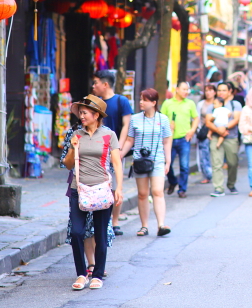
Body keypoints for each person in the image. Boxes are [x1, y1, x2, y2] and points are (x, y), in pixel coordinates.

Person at [63, 95, 123, 290]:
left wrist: (119, 188)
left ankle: (97, 275)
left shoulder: (109, 135)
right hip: (78, 190)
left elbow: (116, 163)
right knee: (77, 232)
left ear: (96, 115)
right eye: (80, 112)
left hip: (102, 189)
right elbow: (68, 164)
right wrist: (73, 149)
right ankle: (81, 274)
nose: (81, 116)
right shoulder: (76, 134)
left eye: (85, 113)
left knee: (100, 234)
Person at [121, 89, 172, 237]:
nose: (141, 102)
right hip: (139, 161)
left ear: (154, 103)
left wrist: (168, 161)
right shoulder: (135, 119)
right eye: (141, 99)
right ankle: (144, 226)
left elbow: (167, 140)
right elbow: (130, 140)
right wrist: (120, 154)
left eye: (144, 100)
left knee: (157, 191)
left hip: (157, 160)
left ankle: (161, 224)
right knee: (143, 194)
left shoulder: (163, 119)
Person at [91, 70, 131, 236]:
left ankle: (115, 221)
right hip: (98, 151)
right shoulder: (94, 103)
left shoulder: (121, 101)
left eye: (96, 83)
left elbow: (126, 126)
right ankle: (102, 220)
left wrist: (119, 148)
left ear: (105, 84)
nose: (93, 86)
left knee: (115, 187)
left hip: (115, 151)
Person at [160, 81, 199, 198]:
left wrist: (192, 130)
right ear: (177, 89)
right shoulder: (167, 103)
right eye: (184, 89)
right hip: (169, 139)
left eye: (187, 90)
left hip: (184, 138)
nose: (186, 92)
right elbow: (161, 119)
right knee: (167, 163)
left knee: (184, 165)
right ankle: (172, 181)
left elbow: (196, 118)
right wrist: (167, 126)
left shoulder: (190, 103)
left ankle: (182, 189)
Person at [208, 82, 242, 197]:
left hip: (231, 137)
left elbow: (236, 119)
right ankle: (218, 188)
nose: (221, 93)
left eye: (224, 90)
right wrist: (218, 131)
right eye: (219, 90)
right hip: (215, 137)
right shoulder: (213, 104)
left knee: (233, 162)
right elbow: (208, 121)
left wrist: (225, 127)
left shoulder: (235, 104)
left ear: (229, 91)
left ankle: (231, 184)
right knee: (216, 163)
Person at [196, 84, 218, 183]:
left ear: (215, 92)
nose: (208, 92)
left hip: (216, 131)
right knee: (204, 154)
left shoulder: (218, 103)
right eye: (206, 90)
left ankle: (215, 174)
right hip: (204, 132)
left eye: (210, 90)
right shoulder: (201, 104)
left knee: (215, 154)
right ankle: (207, 175)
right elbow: (197, 118)